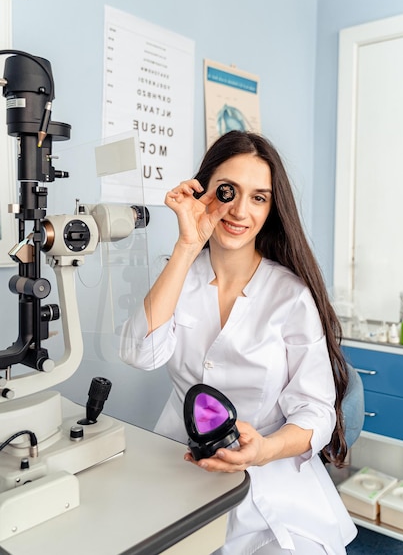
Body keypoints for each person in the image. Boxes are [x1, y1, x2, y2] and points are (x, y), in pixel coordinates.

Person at [120, 131, 357, 554]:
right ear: (203, 192)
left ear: (272, 208)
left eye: (259, 198)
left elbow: (316, 409)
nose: (240, 211)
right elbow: (140, 353)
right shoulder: (180, 277)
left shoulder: (290, 295)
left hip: (272, 477)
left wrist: (264, 450)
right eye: (228, 192)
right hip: (181, 465)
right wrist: (187, 246)